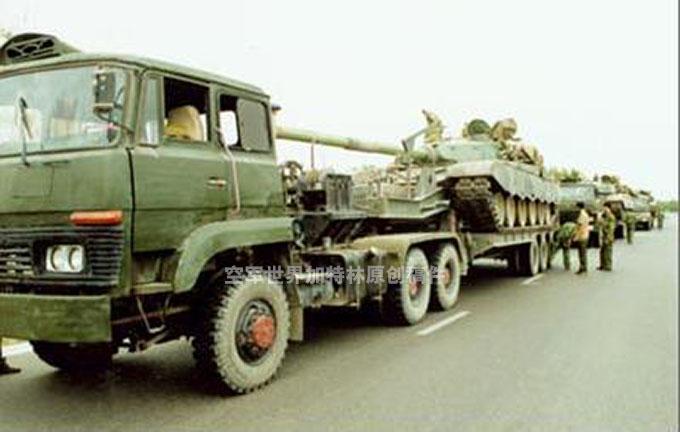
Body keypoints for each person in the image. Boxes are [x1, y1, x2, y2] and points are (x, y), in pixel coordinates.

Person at [598, 205, 617, 271]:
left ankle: (608, 266)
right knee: (602, 251)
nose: (604, 210)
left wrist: (608, 238)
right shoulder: (604, 216)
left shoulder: (611, 217)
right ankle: (602, 265)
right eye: (603, 208)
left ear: (609, 209)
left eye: (605, 208)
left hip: (608, 236)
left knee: (608, 251)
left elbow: (611, 229)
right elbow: (599, 224)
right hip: (604, 235)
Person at [574, 202, 591, 274]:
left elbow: (580, 226)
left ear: (578, 207)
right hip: (585, 235)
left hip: (582, 236)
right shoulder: (585, 214)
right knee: (583, 252)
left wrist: (577, 236)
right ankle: (584, 267)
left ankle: (582, 267)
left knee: (581, 253)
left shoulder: (582, 215)